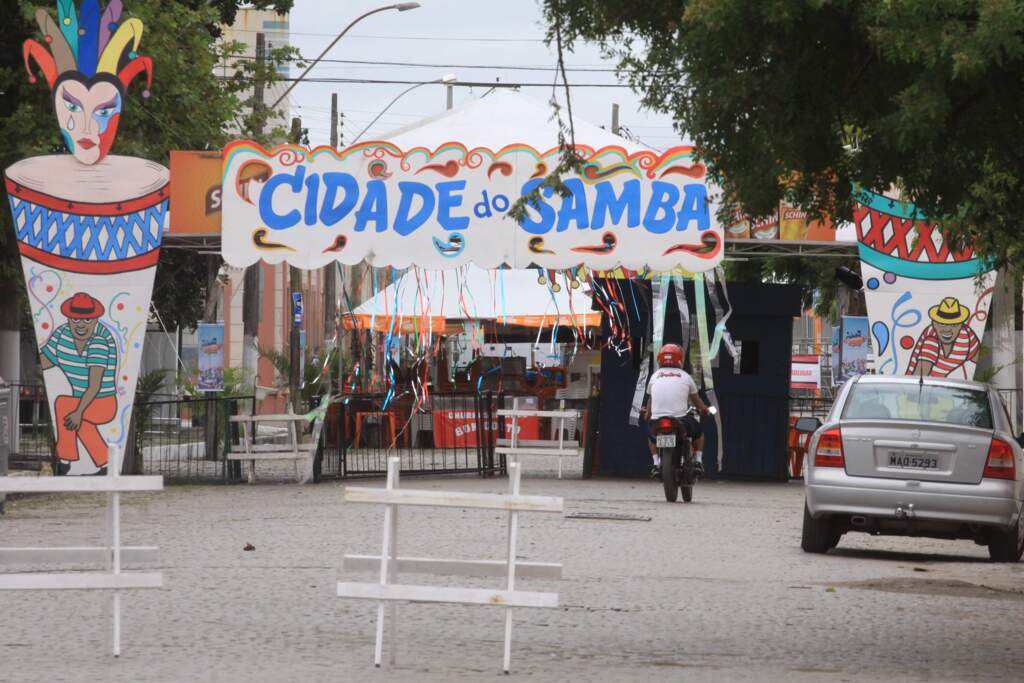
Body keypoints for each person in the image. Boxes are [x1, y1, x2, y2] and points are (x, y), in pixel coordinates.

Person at [39, 293, 119, 475]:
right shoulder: (61, 334)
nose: (81, 324)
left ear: (96, 320)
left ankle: (65, 461)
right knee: (79, 422)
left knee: (64, 405)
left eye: (87, 319)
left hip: (104, 402)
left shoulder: (100, 341)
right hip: (81, 402)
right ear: (68, 318)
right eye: (75, 319)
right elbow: (45, 361)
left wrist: (78, 412)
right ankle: (105, 464)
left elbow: (94, 385)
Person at [641, 343, 710, 478]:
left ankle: (656, 463)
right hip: (680, 420)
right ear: (680, 359)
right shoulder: (685, 376)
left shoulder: (655, 376)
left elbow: (650, 399)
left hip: (658, 420)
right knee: (699, 433)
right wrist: (704, 410)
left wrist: (648, 414)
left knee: (651, 437)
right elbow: (696, 401)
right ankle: (698, 461)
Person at [905, 296, 980, 377]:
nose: (947, 329)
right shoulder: (931, 340)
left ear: (960, 325)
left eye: (954, 325)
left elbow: (983, 362)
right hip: (920, 384)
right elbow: (919, 378)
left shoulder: (967, 335)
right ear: (934, 324)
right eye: (942, 324)